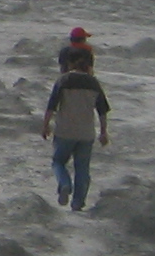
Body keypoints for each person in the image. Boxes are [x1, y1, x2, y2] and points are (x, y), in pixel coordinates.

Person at [41, 63, 111, 210]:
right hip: (86, 133)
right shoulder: (94, 83)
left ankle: (64, 183)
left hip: (64, 131)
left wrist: (45, 125)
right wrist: (103, 131)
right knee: (82, 169)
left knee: (58, 162)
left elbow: (51, 106)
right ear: (89, 66)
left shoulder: (63, 80)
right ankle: (78, 204)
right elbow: (102, 111)